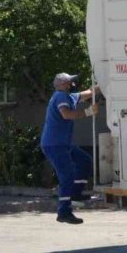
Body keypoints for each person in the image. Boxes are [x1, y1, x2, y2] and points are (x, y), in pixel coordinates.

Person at [40, 73, 99, 225]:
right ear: (62, 84)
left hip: (62, 143)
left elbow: (89, 93)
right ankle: (64, 212)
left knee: (85, 161)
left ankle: (75, 194)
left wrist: (103, 85)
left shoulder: (69, 96)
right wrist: (88, 112)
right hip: (55, 144)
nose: (72, 83)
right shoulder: (60, 96)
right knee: (66, 176)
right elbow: (66, 114)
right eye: (69, 81)